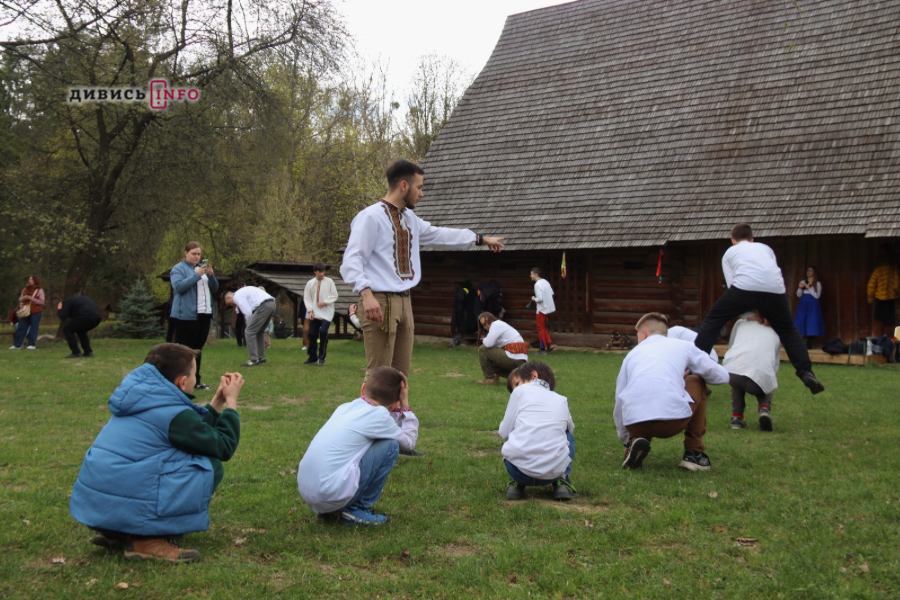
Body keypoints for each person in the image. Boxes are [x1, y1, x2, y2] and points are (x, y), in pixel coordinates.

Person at [68, 343, 243, 563]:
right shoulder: (173, 414)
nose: (195, 380)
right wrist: (232, 403)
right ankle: (149, 539)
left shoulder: (141, 398)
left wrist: (217, 400)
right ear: (182, 382)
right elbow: (222, 446)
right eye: (194, 375)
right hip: (119, 495)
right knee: (209, 465)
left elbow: (191, 431)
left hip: (97, 504)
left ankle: (116, 531)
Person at [340, 159, 505, 381]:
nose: (422, 193)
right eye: (419, 187)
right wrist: (366, 294)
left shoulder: (410, 220)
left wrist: (481, 239)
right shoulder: (370, 217)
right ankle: (373, 416)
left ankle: (398, 416)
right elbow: (352, 259)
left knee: (400, 376)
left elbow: (441, 234)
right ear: (404, 186)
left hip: (405, 302)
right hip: (379, 301)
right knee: (379, 375)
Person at [692, 223, 824, 395]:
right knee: (788, 330)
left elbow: (733, 284)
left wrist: (750, 314)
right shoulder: (765, 248)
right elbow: (767, 276)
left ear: (733, 241)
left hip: (744, 287)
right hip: (775, 290)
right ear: (752, 240)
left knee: (712, 321)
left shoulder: (730, 253)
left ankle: (696, 373)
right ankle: (806, 372)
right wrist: (768, 312)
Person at [297, 366, 419, 526]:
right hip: (330, 494)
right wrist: (405, 404)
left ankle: (332, 510)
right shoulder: (380, 415)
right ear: (395, 404)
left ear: (363, 389)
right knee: (390, 446)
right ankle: (355, 509)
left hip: (310, 492)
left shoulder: (345, 407)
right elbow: (408, 443)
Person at [615, 312, 731, 471]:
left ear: (644, 334)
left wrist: (625, 438)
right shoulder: (684, 346)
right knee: (698, 380)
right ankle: (694, 453)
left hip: (635, 424)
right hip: (672, 422)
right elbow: (722, 377)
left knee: (638, 390)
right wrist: (688, 375)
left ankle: (633, 442)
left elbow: (619, 399)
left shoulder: (631, 355)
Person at [500, 361, 577, 500]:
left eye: (517, 383)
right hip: (553, 473)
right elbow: (571, 428)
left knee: (512, 431)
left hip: (518, 472)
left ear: (534, 376)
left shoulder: (520, 392)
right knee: (567, 434)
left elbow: (504, 432)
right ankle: (562, 480)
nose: (516, 388)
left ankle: (516, 484)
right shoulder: (561, 399)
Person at [169, 242, 219, 390]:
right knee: (185, 350)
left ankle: (195, 380)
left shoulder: (202, 269)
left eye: (199, 254)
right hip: (186, 316)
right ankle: (180, 379)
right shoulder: (178, 269)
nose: (197, 257)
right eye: (193, 254)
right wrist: (196, 276)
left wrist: (211, 276)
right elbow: (178, 287)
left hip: (204, 314)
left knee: (197, 349)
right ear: (186, 253)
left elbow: (214, 288)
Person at [724, 312, 781, 432]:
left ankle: (737, 417)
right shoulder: (776, 329)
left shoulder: (740, 324)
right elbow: (774, 362)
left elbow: (732, 345)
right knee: (766, 378)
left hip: (733, 373)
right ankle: (764, 409)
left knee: (738, 380)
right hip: (758, 376)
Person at [224, 287, 276, 366]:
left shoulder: (237, 296)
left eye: (230, 303)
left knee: (249, 331)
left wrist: (249, 325)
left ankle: (253, 359)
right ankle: (261, 358)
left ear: (229, 297)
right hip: (272, 304)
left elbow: (247, 312)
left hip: (263, 306)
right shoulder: (242, 292)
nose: (232, 305)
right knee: (260, 332)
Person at [476, 312, 528, 385]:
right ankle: (517, 376)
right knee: (490, 359)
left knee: (482, 349)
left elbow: (488, 344)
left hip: (514, 357)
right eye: (484, 325)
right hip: (519, 360)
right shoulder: (500, 326)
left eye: (488, 322)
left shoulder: (496, 324)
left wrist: (483, 339)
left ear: (492, 319)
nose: (487, 326)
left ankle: (490, 379)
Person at [303, 262, 339, 366]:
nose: (322, 274)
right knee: (312, 334)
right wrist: (310, 311)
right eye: (320, 272)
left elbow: (334, 295)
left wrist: (325, 302)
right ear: (315, 272)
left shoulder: (329, 282)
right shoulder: (310, 283)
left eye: (323, 271)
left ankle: (322, 357)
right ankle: (312, 356)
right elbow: (307, 297)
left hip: (327, 313)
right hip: (315, 313)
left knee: (323, 332)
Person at [867, 245, 899, 336]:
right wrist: (896, 293)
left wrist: (870, 299)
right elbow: (897, 283)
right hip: (891, 298)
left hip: (880, 298)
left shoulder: (878, 268)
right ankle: (889, 338)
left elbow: (871, 285)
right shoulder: (894, 268)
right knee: (891, 322)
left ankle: (880, 338)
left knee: (880, 321)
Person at [10, 275, 45, 350]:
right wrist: (23, 299)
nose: (30, 280)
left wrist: (31, 298)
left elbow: (41, 301)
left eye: (31, 279)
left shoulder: (39, 290)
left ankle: (31, 344)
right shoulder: (25, 289)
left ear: (35, 280)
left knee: (33, 328)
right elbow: (20, 298)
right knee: (21, 327)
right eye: (29, 279)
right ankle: (17, 345)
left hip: (36, 311)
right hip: (25, 311)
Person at [794, 265, 825, 348]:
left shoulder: (817, 283)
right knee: (801, 320)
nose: (808, 272)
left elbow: (817, 296)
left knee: (811, 321)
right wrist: (800, 288)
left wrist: (809, 288)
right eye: (808, 270)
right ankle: (802, 341)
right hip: (803, 304)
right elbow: (798, 295)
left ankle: (809, 342)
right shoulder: (803, 281)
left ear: (814, 272)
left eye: (810, 270)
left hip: (812, 305)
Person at [530, 268, 555, 355]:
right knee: (542, 327)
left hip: (541, 309)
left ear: (536, 275)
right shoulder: (545, 282)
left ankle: (542, 349)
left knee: (539, 328)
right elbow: (551, 293)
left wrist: (534, 299)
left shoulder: (537, 284)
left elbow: (540, 299)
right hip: (548, 307)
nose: (531, 276)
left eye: (531, 274)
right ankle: (549, 344)